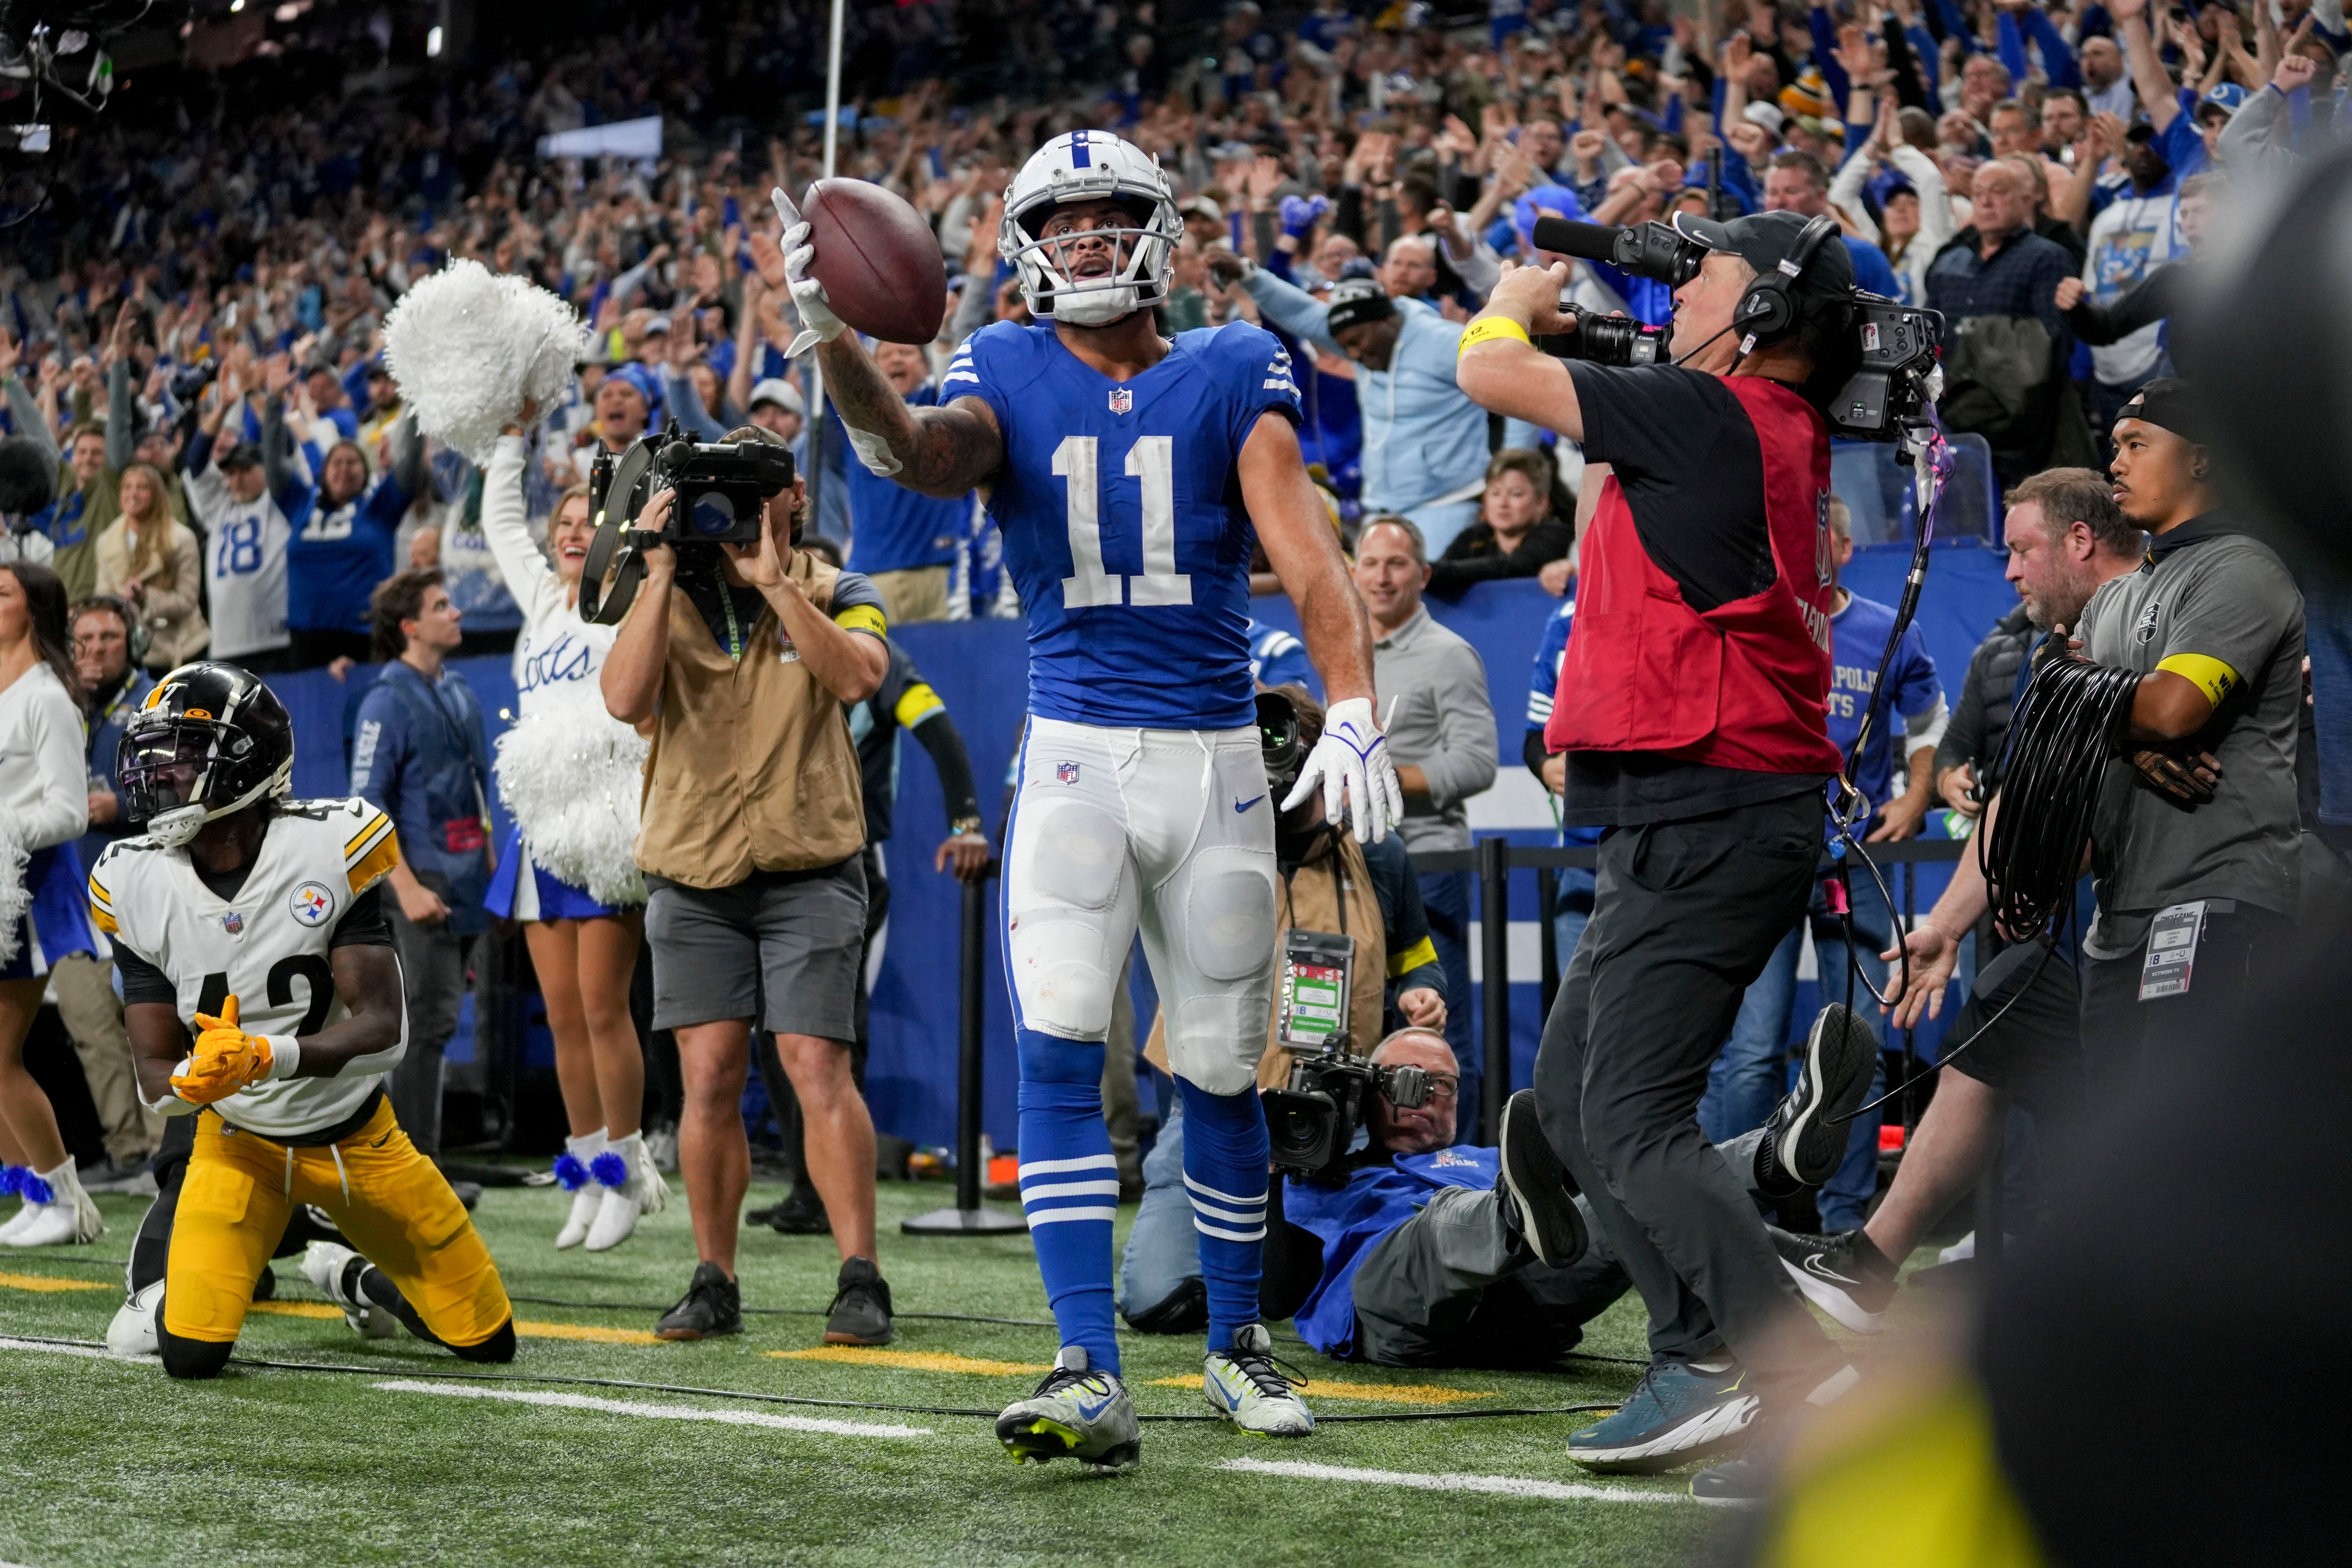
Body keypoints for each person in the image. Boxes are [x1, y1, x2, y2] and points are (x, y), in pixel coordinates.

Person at [780, 128, 1400, 1467]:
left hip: (1216, 756)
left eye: (1109, 215)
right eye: (1059, 222)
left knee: (1227, 1071)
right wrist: (835, 344)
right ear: (1022, 246)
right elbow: (916, 457)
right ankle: (1085, 1368)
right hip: (1070, 754)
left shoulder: (1237, 363)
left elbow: (1304, 549)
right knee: (1059, 1045)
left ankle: (1237, 1342)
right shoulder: (1001, 362)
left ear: (1159, 230)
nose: (1085, 241)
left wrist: (1351, 700)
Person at [1456, 209, 1879, 1501]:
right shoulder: (1747, 420)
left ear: (1760, 315)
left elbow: (1491, 369)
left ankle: (1796, 1371)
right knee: (1578, 1101)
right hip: (1691, 806)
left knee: (1628, 1115)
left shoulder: (1717, 417)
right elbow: (1643, 364)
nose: (1681, 290)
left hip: (1716, 806)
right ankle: (1701, 1351)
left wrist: (1512, 295)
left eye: (1707, 274)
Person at [1781, 468, 2148, 1332]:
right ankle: (1871, 1261)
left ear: (2079, 542)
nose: (2010, 571)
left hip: (2161, 918)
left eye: (2021, 550)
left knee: (2129, 1115)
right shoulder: (2049, 649)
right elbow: (2021, 798)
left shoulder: (2160, 609)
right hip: (2081, 927)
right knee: (1986, 1030)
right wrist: (1943, 927)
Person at [95, 663, 515, 1377]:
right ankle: (324, 1257)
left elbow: (386, 1030)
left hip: (357, 1138)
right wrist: (199, 1076)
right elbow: (153, 1076)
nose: (159, 772)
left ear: (247, 763)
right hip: (236, 1143)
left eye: (186, 753)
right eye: (154, 751)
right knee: (188, 1353)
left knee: (486, 1343)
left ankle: (352, 1271)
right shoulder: (131, 877)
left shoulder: (329, 846)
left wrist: (266, 1053)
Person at [598, 421, 898, 1349]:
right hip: (694, 868)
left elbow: (859, 679)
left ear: (793, 498)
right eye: (712, 495)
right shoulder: (662, 592)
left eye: (750, 491)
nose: (731, 513)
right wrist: (652, 573)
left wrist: (772, 582)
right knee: (707, 1079)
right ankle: (714, 1277)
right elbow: (624, 701)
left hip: (810, 863)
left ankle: (861, 1277)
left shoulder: (839, 587)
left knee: (817, 1066)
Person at [1118, 685, 1446, 1331]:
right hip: (1214, 1093)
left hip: (1331, 1115)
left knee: (1283, 1300)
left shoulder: (1377, 853)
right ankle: (1232, 1251)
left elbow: (1416, 955)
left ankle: (1267, 1258)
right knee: (1154, 1299)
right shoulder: (1204, 842)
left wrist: (1422, 991)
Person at [1698, 496, 1945, 1234]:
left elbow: (1930, 718)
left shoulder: (1886, 626)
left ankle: (1846, 1223)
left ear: (1844, 544)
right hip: (1765, 857)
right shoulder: (1756, 621)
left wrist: (1917, 794)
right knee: (1751, 1049)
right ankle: (1735, 1216)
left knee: (1858, 1052)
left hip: (1855, 858)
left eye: (1815, 544)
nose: (1801, 557)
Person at [476, 424, 660, 1254]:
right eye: (564, 528)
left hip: (605, 819)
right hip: (539, 823)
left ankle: (629, 1163)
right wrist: (511, 440)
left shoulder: (632, 597)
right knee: (558, 1015)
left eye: (587, 522)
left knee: (601, 1003)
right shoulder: (543, 601)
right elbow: (500, 524)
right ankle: (585, 1167)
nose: (572, 534)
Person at [751, 633, 989, 1236]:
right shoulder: (759, 644)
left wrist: (965, 823)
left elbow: (938, 732)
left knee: (831, 1029)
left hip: (847, 862)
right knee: (771, 1032)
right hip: (767, 860)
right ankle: (807, 1189)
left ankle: (834, 1193)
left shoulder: (870, 658)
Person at [1353, 518, 1499, 1127]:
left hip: (1429, 862)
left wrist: (1375, 772)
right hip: (1362, 863)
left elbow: (1476, 762)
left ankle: (1454, 1187)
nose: (1381, 577)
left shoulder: (1448, 653)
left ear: (1423, 575)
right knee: (1364, 1030)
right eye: (1370, 564)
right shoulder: (1348, 650)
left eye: (1396, 564)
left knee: (1437, 1035)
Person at [348, 569, 495, 1165]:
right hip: (422, 880)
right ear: (411, 627)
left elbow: (475, 786)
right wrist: (403, 885)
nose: (456, 612)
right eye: (442, 605)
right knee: (425, 1027)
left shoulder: (457, 690)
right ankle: (412, 1170)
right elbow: (367, 804)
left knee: (435, 1026)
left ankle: (418, 1165)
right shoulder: (385, 699)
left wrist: (489, 862)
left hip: (465, 879)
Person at [1212, 260, 1493, 557]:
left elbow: (1515, 379)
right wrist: (1250, 276)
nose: (1355, 354)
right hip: (1380, 508)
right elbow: (1303, 314)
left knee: (1433, 594)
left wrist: (1516, 466)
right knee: (1374, 598)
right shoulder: (1362, 339)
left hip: (1446, 506)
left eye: (1358, 343)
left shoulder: (1443, 342)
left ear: (1385, 321)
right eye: (1347, 347)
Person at [0, 561, 103, 1246]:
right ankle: (37, 1196)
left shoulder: (48, 698)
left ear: (32, 609)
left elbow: (71, 812)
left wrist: (7, 829)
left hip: (27, 892)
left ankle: (69, 1204)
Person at [58, 597, 161, 1190]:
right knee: (90, 1027)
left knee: (145, 1023)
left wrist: (120, 806)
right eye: (86, 640)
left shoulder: (153, 702)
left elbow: (185, 784)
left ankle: (159, 1148)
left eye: (110, 639)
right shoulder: (60, 704)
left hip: (136, 890)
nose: (96, 650)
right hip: (71, 893)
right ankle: (125, 1152)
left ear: (134, 645)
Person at [1925, 158, 2084, 486]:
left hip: (2023, 431)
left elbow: (2055, 344)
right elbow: (1928, 340)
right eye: (1978, 193)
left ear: (2027, 201)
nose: (1985, 201)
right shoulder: (1949, 260)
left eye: (1998, 192)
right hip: (1953, 419)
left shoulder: (2047, 258)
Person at [842, 342, 971, 627]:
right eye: (885, 355)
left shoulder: (945, 406)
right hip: (873, 576)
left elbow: (948, 355)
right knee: (879, 668)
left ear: (925, 366)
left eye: (906, 352)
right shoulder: (853, 417)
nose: (895, 360)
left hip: (939, 572)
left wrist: (946, 331)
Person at [288, 416, 425, 670]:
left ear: (366, 472)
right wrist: (274, 403)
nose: (344, 469)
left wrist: (415, 404)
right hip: (307, 639)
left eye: (352, 462)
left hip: (366, 637)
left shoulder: (379, 508)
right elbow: (275, 466)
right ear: (324, 473)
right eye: (337, 463)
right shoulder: (300, 505)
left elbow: (409, 465)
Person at [184, 375, 297, 673]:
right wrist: (222, 408)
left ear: (266, 469)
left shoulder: (283, 501)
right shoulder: (219, 509)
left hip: (276, 641)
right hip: (226, 645)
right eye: (231, 473)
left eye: (245, 471)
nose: (236, 480)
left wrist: (258, 395)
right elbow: (195, 460)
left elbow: (283, 446)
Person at [94, 462, 208, 672]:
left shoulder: (182, 539)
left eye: (142, 487)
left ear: (157, 494)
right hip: (134, 655)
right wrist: (121, 597)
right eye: (127, 487)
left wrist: (146, 597)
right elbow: (103, 596)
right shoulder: (106, 542)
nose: (133, 494)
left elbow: (187, 600)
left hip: (183, 649)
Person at [1426, 448, 1575, 601]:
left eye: (1516, 494)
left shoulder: (1555, 534)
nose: (1503, 504)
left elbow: (1517, 567)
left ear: (1541, 502)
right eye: (1495, 493)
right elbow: (1438, 573)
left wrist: (1429, 571)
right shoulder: (1474, 536)